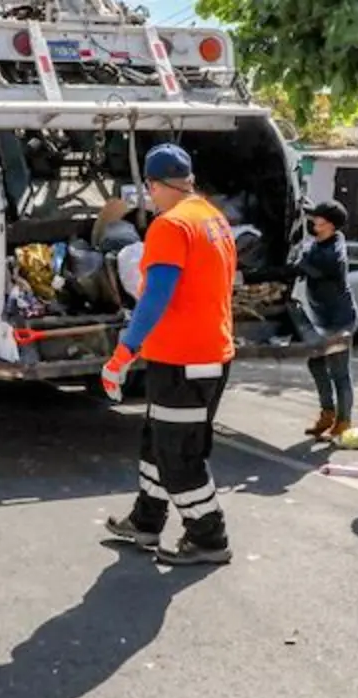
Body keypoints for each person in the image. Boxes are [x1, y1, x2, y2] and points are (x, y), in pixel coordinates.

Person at [99, 143, 235, 566]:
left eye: (150, 190)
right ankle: (146, 521)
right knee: (156, 444)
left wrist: (122, 354)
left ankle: (208, 537)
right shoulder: (213, 218)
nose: (150, 198)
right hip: (204, 354)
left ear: (155, 185)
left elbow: (156, 296)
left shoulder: (170, 226)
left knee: (179, 455)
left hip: (184, 361)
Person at [247, 201, 358, 439]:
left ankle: (344, 421)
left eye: (317, 219)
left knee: (339, 370)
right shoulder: (316, 245)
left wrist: (252, 276)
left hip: (339, 319)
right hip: (319, 316)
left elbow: (296, 270)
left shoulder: (333, 252)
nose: (312, 223)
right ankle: (327, 414)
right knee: (316, 364)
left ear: (329, 225)